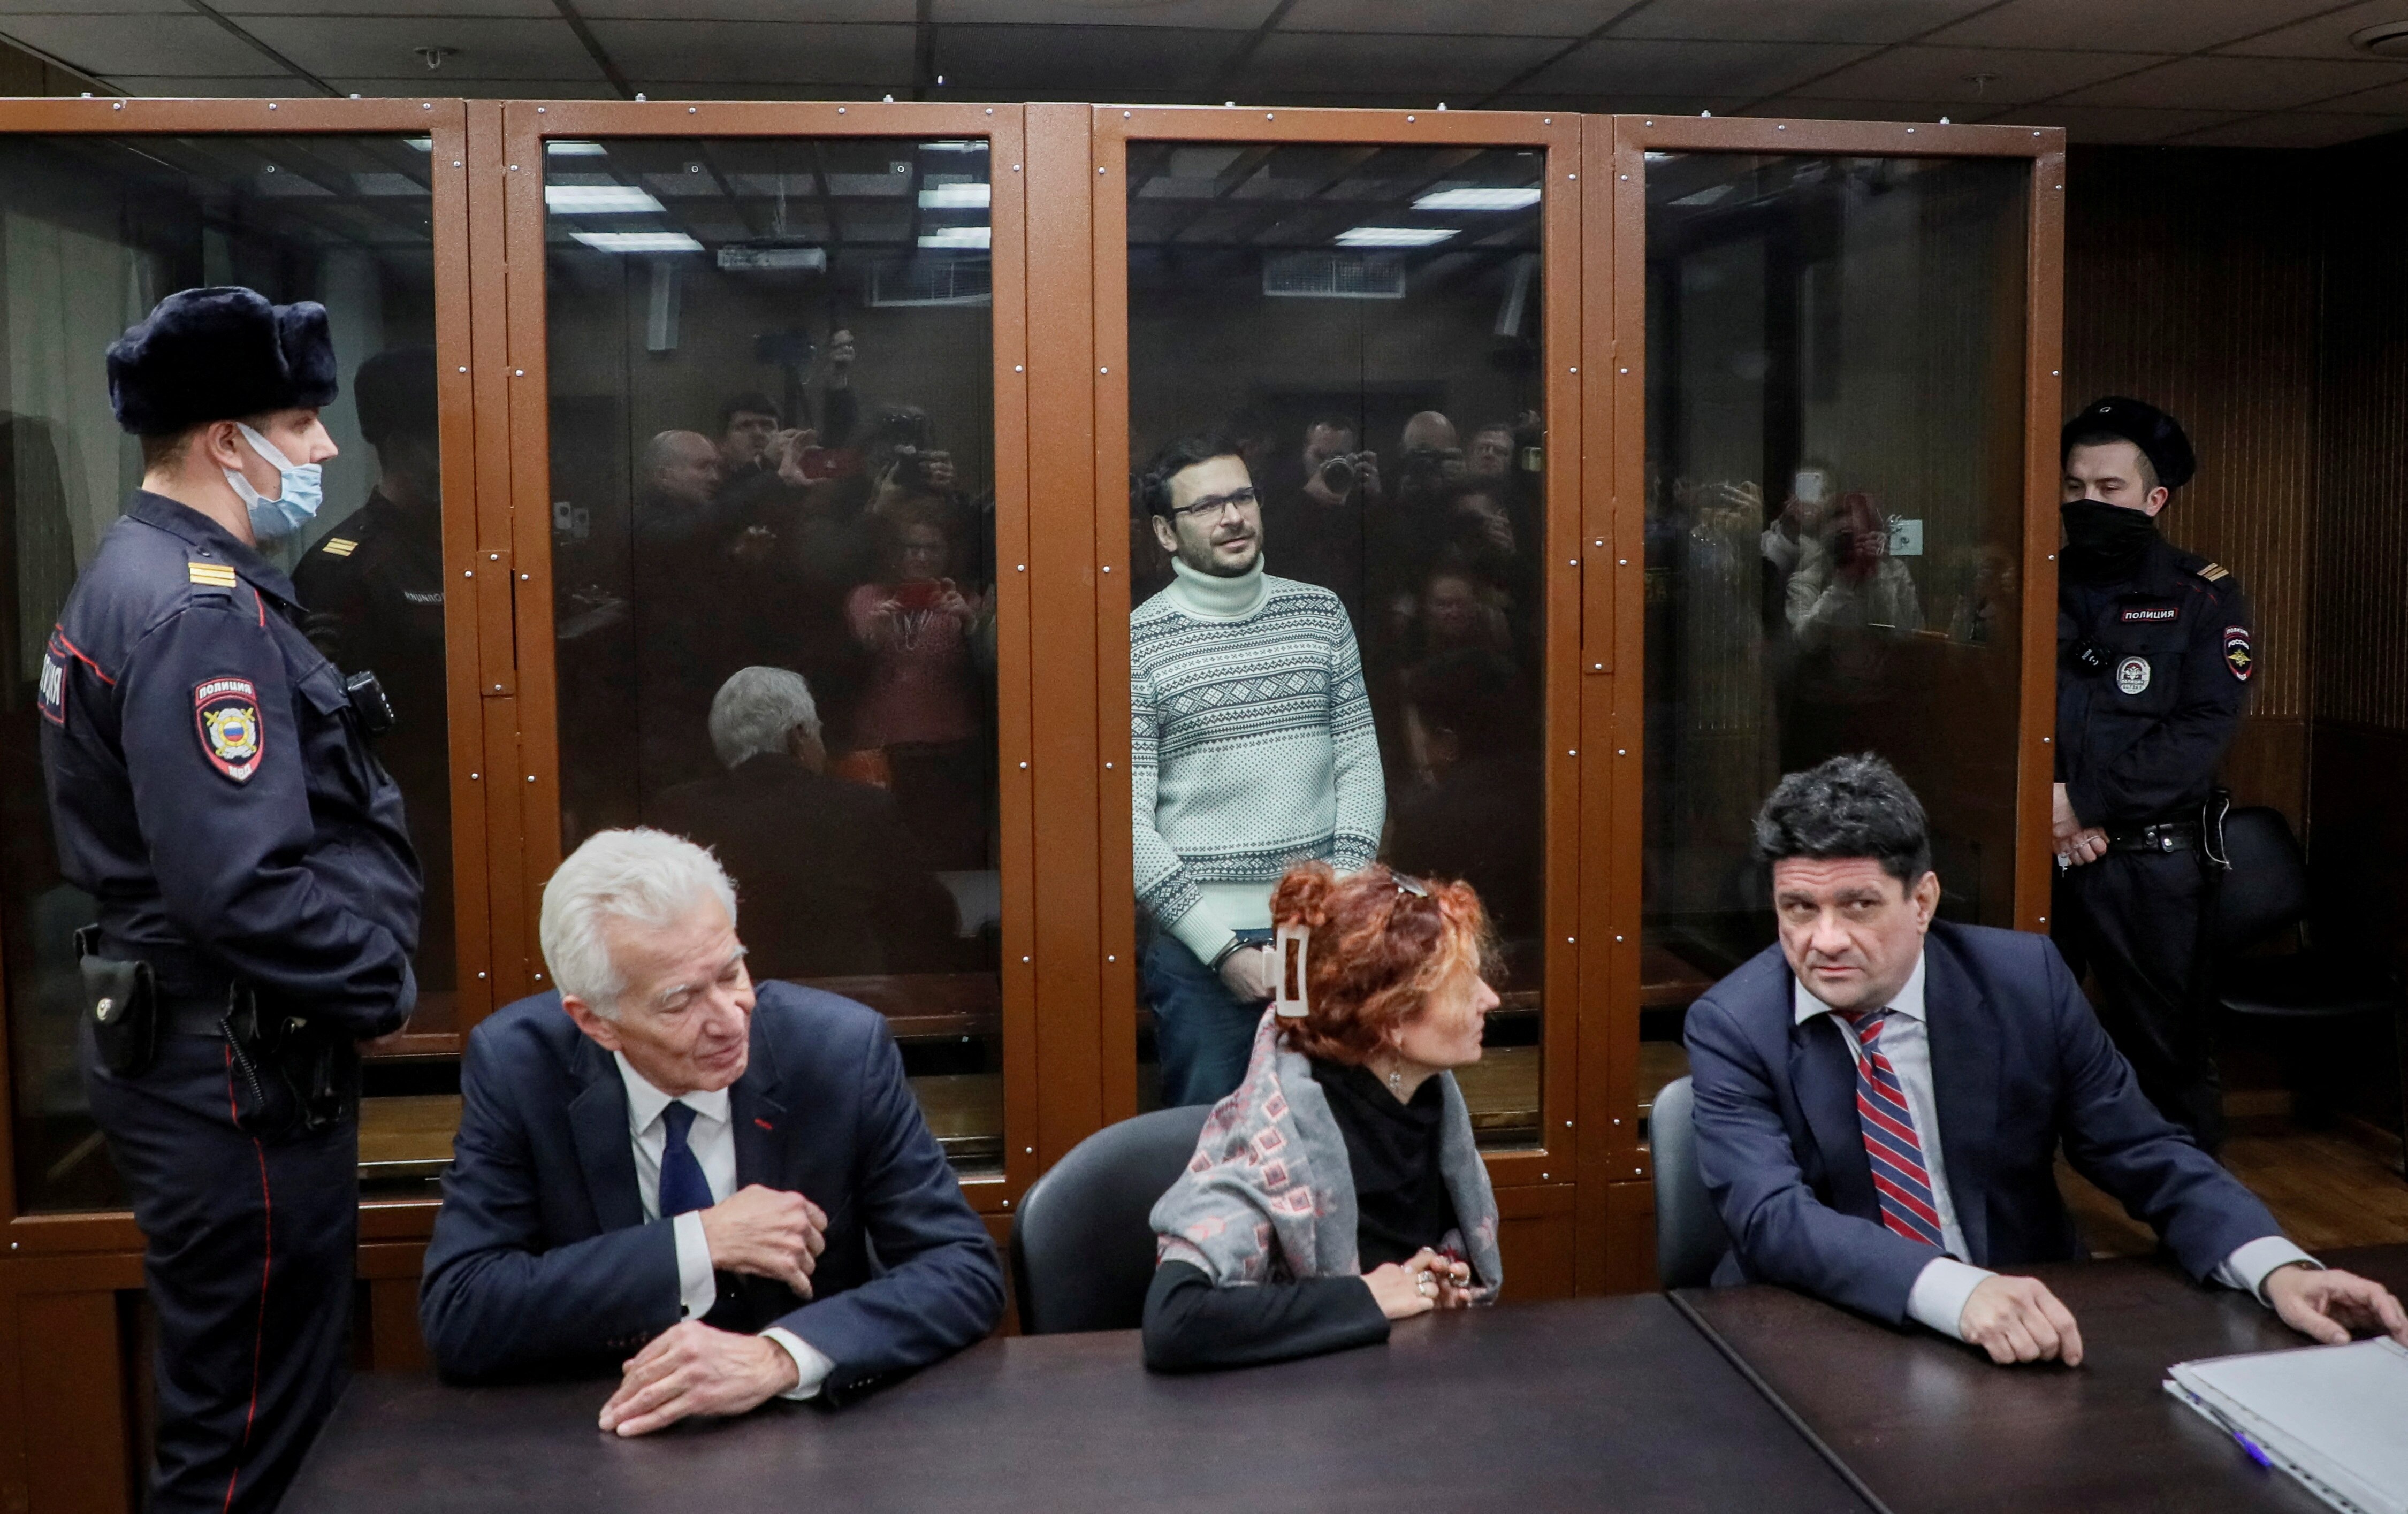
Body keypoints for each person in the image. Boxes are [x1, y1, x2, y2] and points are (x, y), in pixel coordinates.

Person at [41, 286, 422, 1512]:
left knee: (252, 1412)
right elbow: (238, 883)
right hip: (234, 1078)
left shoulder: (142, 570)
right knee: (249, 1434)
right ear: (224, 440)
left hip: (205, 1056)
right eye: (300, 422)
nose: (320, 450)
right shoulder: (197, 611)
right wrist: (378, 981)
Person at [1686, 755, 2407, 1367]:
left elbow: (2140, 1148)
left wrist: (2275, 1266)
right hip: (1822, 1335)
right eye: (1800, 909)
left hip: (2031, 1318)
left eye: (1859, 904)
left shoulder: (2023, 981)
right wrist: (1956, 1291)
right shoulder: (1734, 1023)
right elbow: (1773, 1218)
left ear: (1924, 900)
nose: (1826, 939)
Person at [418, 828, 1003, 1426]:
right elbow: (463, 1309)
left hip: (813, 1435)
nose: (728, 1021)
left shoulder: (839, 1052)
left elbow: (960, 1270)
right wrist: (699, 1242)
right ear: (596, 1021)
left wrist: (779, 1357)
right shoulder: (521, 1068)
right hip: (602, 1433)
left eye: (731, 974)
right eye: (680, 1001)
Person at [1143, 861, 1503, 1372]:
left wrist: (1426, 1287)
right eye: (1464, 986)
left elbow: (1401, 1278)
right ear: (1393, 1020)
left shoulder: (1428, 1105)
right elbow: (1175, 1321)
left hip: (1401, 1398)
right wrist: (1367, 1299)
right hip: (1287, 1427)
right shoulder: (1271, 1135)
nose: (1490, 999)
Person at [1132, 430, 1385, 1106]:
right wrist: (1224, 951)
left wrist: (1331, 908)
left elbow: (1359, 764)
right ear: (1165, 532)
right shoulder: (1136, 643)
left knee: (1329, 1145)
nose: (1233, 517)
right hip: (1200, 955)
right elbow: (1125, 821)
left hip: (1320, 931)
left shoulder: (1320, 615)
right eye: (1208, 506)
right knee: (1212, 1161)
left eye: (1242, 496)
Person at [2052, 397, 2252, 1151]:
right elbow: (1985, 701)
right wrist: (2050, 807)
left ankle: (2202, 1237)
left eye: (2109, 489)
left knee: (2169, 1058)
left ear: (2154, 498)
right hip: (2039, 850)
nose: (2088, 503)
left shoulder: (2202, 593)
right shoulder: (2030, 583)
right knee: (2008, 1049)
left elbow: (2204, 726)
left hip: (2148, 864)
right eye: (2075, 488)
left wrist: (2088, 803)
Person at [293, 346, 452, 985]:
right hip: (401, 824)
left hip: (473, 801)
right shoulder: (345, 567)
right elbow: (327, 740)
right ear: (398, 443)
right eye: (439, 437)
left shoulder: (474, 545)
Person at [649, 667, 955, 980]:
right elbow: (932, 919)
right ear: (799, 735)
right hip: (846, 1007)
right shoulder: (865, 809)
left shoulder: (679, 812)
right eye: (818, 732)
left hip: (727, 1004)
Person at [843, 496, 990, 868]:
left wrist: (972, 628)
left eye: (931, 549)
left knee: (945, 848)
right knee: (885, 850)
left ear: (948, 554)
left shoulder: (968, 600)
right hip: (880, 745)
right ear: (894, 553)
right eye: (911, 548)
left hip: (949, 746)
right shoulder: (867, 598)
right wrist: (873, 636)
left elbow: (989, 677)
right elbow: (842, 672)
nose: (921, 558)